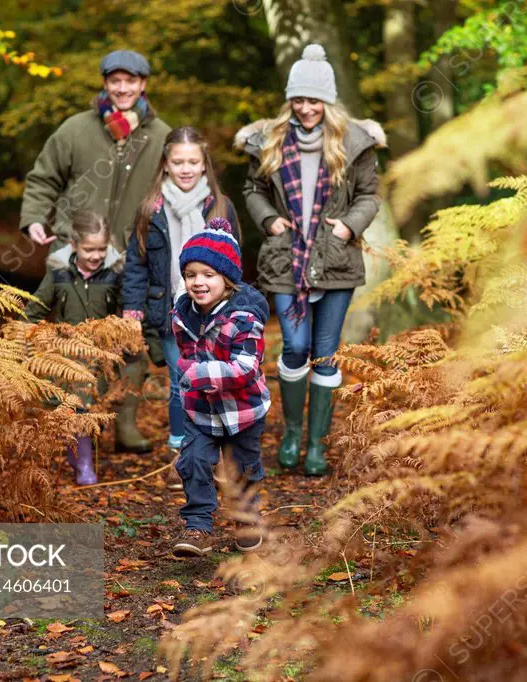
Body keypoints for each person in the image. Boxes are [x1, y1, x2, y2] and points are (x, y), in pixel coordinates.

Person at [234, 43, 386, 477]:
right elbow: (253, 191)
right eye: (298, 100)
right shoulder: (270, 141)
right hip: (286, 258)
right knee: (295, 346)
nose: (305, 109)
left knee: (324, 355)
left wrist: (348, 226)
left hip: (335, 258)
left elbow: (369, 195)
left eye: (313, 100)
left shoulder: (355, 143)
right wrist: (269, 220)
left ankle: (317, 445)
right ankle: (292, 434)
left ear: (327, 101)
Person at [19, 49, 173, 454]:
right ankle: (68, 422)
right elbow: (42, 178)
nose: (122, 88)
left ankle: (123, 424)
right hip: (74, 246)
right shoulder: (76, 129)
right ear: (105, 84)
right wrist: (35, 216)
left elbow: (178, 190)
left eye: (131, 81)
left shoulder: (160, 137)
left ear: (143, 85)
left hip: (130, 254)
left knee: (132, 341)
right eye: (115, 80)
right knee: (69, 338)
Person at [121, 127, 241, 459]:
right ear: (165, 164)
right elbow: (136, 264)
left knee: (213, 380)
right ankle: (182, 451)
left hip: (214, 311)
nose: (185, 168)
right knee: (183, 381)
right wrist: (133, 311)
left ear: (204, 165)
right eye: (178, 162)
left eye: (192, 161)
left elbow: (234, 261)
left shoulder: (219, 207)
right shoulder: (151, 209)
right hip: (171, 311)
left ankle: (214, 451)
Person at [163, 222, 271, 558]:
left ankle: (246, 518)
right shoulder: (183, 313)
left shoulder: (244, 317)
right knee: (193, 461)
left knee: (242, 467)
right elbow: (184, 355)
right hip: (201, 409)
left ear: (227, 279)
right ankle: (197, 526)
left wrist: (195, 372)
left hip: (243, 410)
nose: (198, 282)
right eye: (191, 274)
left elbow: (245, 367)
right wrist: (187, 373)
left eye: (208, 274)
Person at [23, 210, 124, 485]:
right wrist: (26, 336)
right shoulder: (59, 272)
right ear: (74, 245)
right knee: (78, 407)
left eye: (101, 249)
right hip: (68, 355)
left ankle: (80, 454)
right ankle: (84, 465)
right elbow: (36, 309)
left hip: (102, 354)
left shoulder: (115, 272)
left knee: (93, 411)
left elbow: (125, 309)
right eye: (89, 249)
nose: (95, 256)